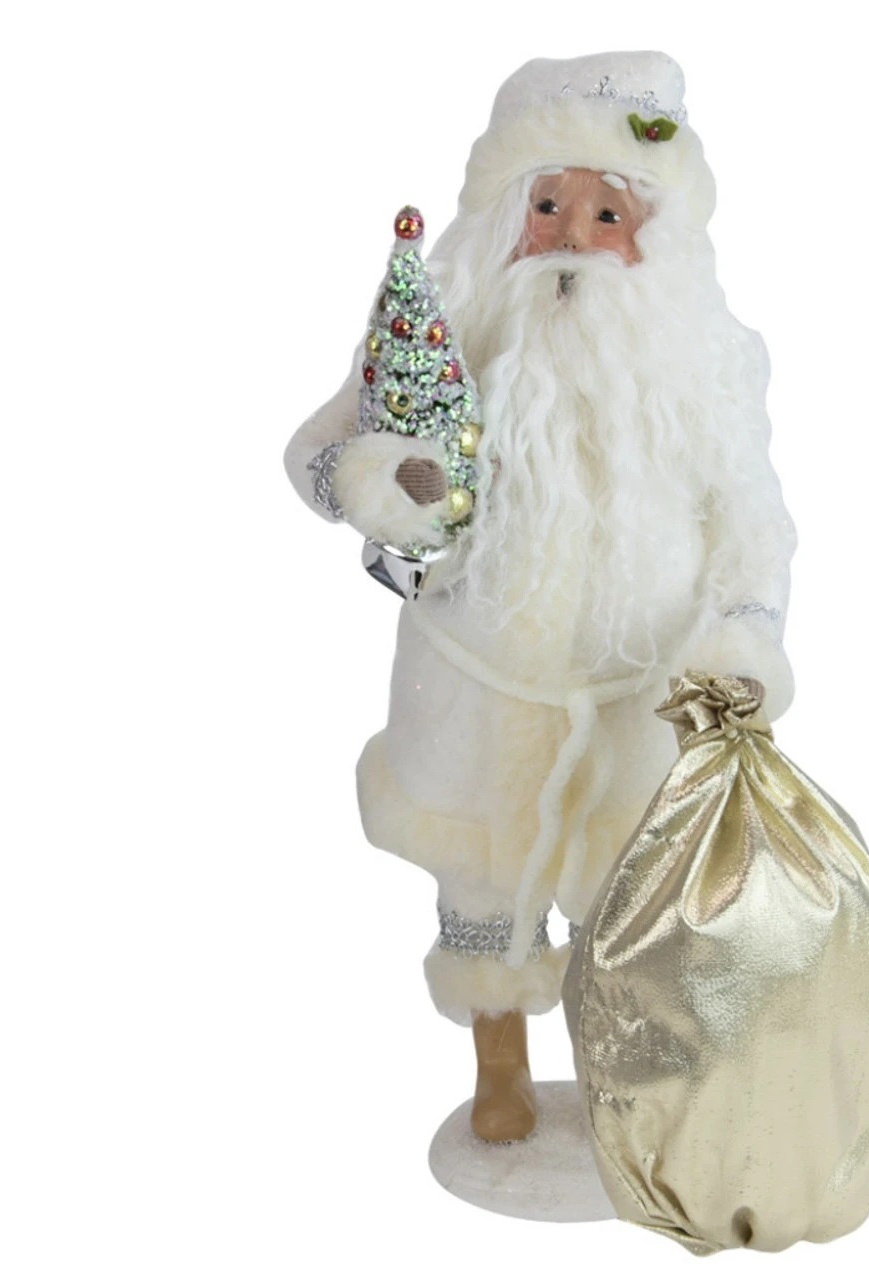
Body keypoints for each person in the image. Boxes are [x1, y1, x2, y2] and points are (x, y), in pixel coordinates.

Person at [285, 51, 796, 1142]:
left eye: (606, 213)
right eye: (547, 205)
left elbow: (752, 527)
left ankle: (628, 1083)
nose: (571, 236)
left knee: (637, 904)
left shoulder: (703, 370)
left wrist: (744, 641)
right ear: (505, 219)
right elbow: (316, 455)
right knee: (481, 889)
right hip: (477, 692)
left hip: (640, 698)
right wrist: (379, 484)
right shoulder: (445, 339)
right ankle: (499, 1059)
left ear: (651, 236)